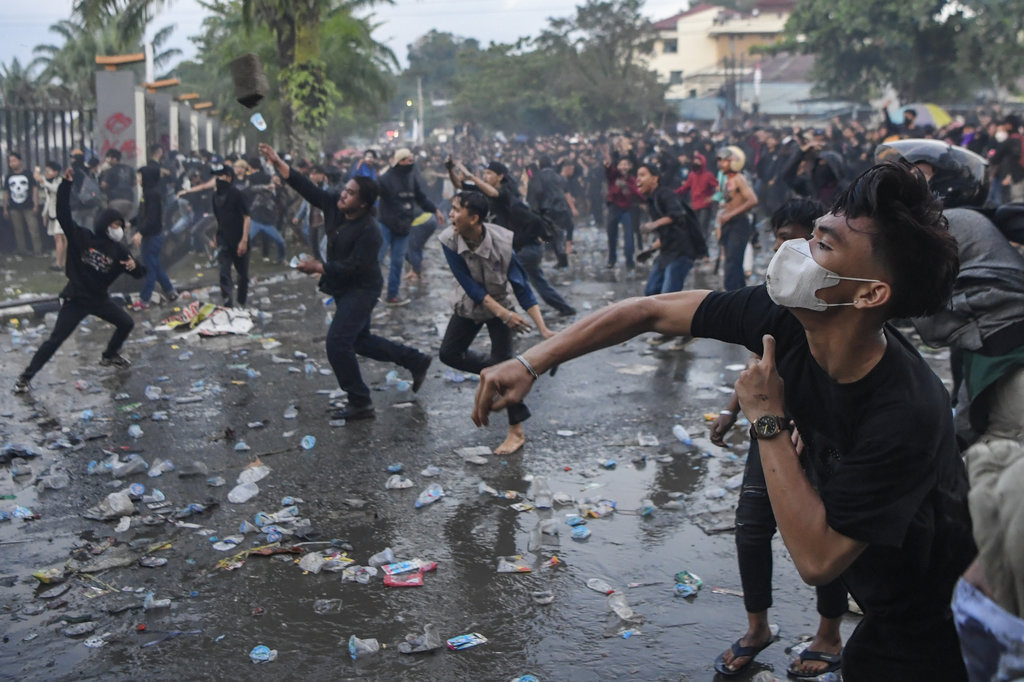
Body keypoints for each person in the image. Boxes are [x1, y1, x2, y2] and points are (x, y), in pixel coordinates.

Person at [472, 161, 976, 681]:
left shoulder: (907, 412)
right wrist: (531, 361)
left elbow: (816, 558)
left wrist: (766, 419)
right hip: (878, 599)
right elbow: (648, 310)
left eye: (822, 246)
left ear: (869, 293)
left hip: (937, 619)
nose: (793, 252)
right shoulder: (786, 317)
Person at [876, 138, 1024, 680]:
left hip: (1010, 360)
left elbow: (897, 288)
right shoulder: (960, 220)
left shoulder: (953, 221)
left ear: (931, 178)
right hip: (987, 354)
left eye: (901, 175)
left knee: (1003, 479)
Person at [710, 198, 846, 678]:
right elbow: (760, 367)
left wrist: (814, 430)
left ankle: (829, 633)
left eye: (796, 237)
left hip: (823, 434)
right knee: (751, 525)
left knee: (824, 536)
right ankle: (757, 628)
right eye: (778, 239)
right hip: (770, 428)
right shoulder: (775, 301)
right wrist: (732, 413)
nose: (784, 249)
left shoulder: (840, 301)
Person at [258, 143, 432, 421]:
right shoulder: (334, 207)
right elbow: (307, 187)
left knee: (338, 343)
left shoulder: (370, 231)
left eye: (350, 194)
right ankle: (414, 359)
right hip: (342, 287)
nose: (343, 195)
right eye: (345, 189)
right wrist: (279, 162)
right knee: (360, 341)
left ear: (363, 203)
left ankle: (360, 401)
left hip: (362, 288)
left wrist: (319, 267)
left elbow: (353, 268)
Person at [439, 191, 555, 454]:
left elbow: (521, 285)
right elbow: (469, 286)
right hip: (470, 305)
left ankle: (516, 433)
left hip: (502, 303)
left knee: (503, 363)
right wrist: (504, 315)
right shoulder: (448, 239)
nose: (451, 215)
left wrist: (543, 328)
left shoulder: (502, 242)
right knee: (449, 354)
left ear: (475, 217)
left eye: (456, 210)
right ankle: (498, 375)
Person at [14, 168, 146, 393]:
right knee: (55, 340)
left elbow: (138, 273)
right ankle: (25, 378)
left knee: (126, 323)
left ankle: (109, 355)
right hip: (76, 298)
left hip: (99, 299)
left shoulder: (120, 250)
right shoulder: (83, 238)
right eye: (115, 225)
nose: (119, 229)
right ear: (105, 225)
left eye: (121, 226)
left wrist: (136, 267)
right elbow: (64, 214)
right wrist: (66, 185)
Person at [447, 159, 575, 317]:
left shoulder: (506, 193)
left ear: (500, 176)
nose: (485, 176)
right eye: (485, 173)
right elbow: (460, 185)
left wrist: (472, 177)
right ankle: (564, 308)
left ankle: (508, 315)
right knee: (536, 280)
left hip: (527, 248)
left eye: (489, 174)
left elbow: (494, 193)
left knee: (501, 277)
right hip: (519, 248)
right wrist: (449, 169)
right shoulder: (484, 191)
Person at [377, 148, 443, 305]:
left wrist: (435, 210)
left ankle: (392, 295)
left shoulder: (411, 178)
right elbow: (371, 195)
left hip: (403, 226)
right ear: (400, 161)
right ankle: (368, 291)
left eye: (412, 160)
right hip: (386, 224)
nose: (411, 163)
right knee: (377, 258)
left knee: (397, 261)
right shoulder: (385, 179)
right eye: (408, 160)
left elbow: (421, 197)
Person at [635, 162, 706, 297]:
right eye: (637, 176)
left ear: (655, 178)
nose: (638, 179)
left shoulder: (665, 194)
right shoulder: (651, 201)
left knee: (668, 295)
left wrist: (653, 225)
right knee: (651, 292)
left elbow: (677, 214)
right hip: (666, 252)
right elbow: (667, 232)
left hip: (681, 252)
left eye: (643, 175)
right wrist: (651, 249)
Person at [133, 144, 178, 310]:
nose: (138, 179)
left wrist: (140, 233)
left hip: (152, 236)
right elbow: (142, 215)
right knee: (155, 266)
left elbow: (152, 219)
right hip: (151, 235)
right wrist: (131, 222)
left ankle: (144, 300)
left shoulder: (153, 195)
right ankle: (170, 291)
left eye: (140, 176)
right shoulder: (148, 194)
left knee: (150, 270)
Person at [715, 146, 758, 290]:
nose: (721, 164)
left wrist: (730, 215)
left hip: (738, 224)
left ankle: (731, 296)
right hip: (728, 224)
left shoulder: (740, 179)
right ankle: (739, 295)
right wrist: (724, 211)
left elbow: (752, 200)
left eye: (725, 161)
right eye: (720, 160)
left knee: (732, 263)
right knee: (732, 263)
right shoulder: (727, 180)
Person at [208, 164, 250, 307]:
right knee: (224, 271)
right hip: (223, 239)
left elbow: (247, 217)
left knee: (242, 274)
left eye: (220, 176)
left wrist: (244, 240)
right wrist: (216, 236)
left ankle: (241, 302)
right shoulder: (215, 196)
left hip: (239, 238)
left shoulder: (237, 194)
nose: (218, 179)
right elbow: (219, 218)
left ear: (228, 177)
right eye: (216, 176)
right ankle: (227, 302)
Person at [527, 155, 573, 269]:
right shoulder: (558, 177)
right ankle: (561, 259)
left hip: (547, 209)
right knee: (558, 233)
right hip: (561, 208)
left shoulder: (538, 177)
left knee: (551, 235)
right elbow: (564, 187)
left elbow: (536, 193)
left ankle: (560, 259)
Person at [603, 154, 645, 270]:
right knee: (612, 236)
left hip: (627, 210)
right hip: (613, 209)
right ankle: (612, 259)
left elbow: (638, 193)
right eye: (621, 165)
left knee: (629, 237)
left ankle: (629, 261)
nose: (623, 167)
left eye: (626, 165)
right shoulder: (614, 176)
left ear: (630, 167)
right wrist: (608, 165)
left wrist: (644, 201)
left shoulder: (632, 180)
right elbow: (609, 171)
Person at [674, 151, 718, 244]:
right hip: (694, 205)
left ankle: (704, 251)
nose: (696, 163)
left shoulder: (708, 175)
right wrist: (674, 193)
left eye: (698, 161)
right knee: (695, 228)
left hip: (705, 206)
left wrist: (712, 197)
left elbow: (718, 187)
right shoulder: (692, 175)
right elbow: (685, 187)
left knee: (702, 228)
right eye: (695, 161)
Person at [4, 151, 41, 256]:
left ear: (20, 161)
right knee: (18, 230)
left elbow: (34, 190)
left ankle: (37, 250)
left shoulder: (28, 174)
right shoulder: (8, 176)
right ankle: (22, 250)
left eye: (14, 160)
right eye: (10, 161)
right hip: (14, 207)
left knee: (33, 229)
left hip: (28, 206)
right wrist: (6, 208)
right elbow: (6, 192)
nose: (12, 163)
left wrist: (36, 204)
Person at [35, 161, 65, 270]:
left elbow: (55, 190)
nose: (47, 173)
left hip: (61, 213)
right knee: (59, 238)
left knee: (59, 237)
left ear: (56, 172)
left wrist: (43, 181)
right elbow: (48, 199)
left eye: (49, 171)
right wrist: (44, 214)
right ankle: (61, 261)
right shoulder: (49, 182)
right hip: (53, 213)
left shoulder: (60, 181)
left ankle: (59, 262)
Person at [99, 148, 136, 219]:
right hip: (129, 199)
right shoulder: (129, 168)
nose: (106, 160)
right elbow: (134, 182)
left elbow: (104, 185)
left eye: (108, 157)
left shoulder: (110, 170)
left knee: (115, 222)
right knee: (127, 221)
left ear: (114, 159)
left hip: (115, 200)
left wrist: (102, 174)